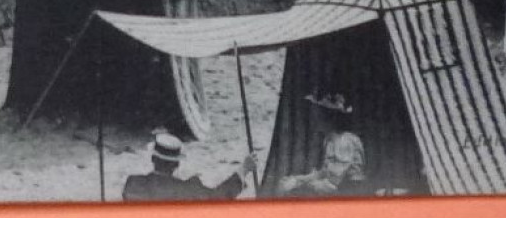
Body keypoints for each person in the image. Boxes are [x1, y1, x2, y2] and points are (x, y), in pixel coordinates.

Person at [122, 133, 256, 202]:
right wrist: (243, 169)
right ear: (177, 164)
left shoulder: (132, 183)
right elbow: (218, 197)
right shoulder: (187, 189)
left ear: (153, 158)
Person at [278, 96, 368, 197]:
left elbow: (335, 180)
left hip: (349, 192)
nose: (315, 120)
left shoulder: (344, 140)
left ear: (328, 118)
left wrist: (303, 184)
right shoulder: (329, 139)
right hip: (335, 187)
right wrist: (298, 179)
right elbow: (325, 172)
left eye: (319, 116)